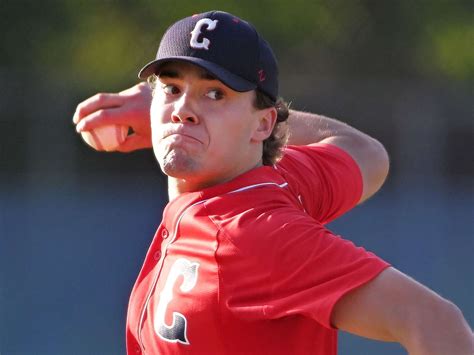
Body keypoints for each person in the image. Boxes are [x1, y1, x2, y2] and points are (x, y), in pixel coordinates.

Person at [73, 10, 473, 355]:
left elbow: (434, 322)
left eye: (215, 94)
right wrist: (192, 111)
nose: (183, 110)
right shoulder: (286, 180)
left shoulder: (253, 235)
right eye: (172, 89)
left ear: (264, 123)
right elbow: (365, 152)